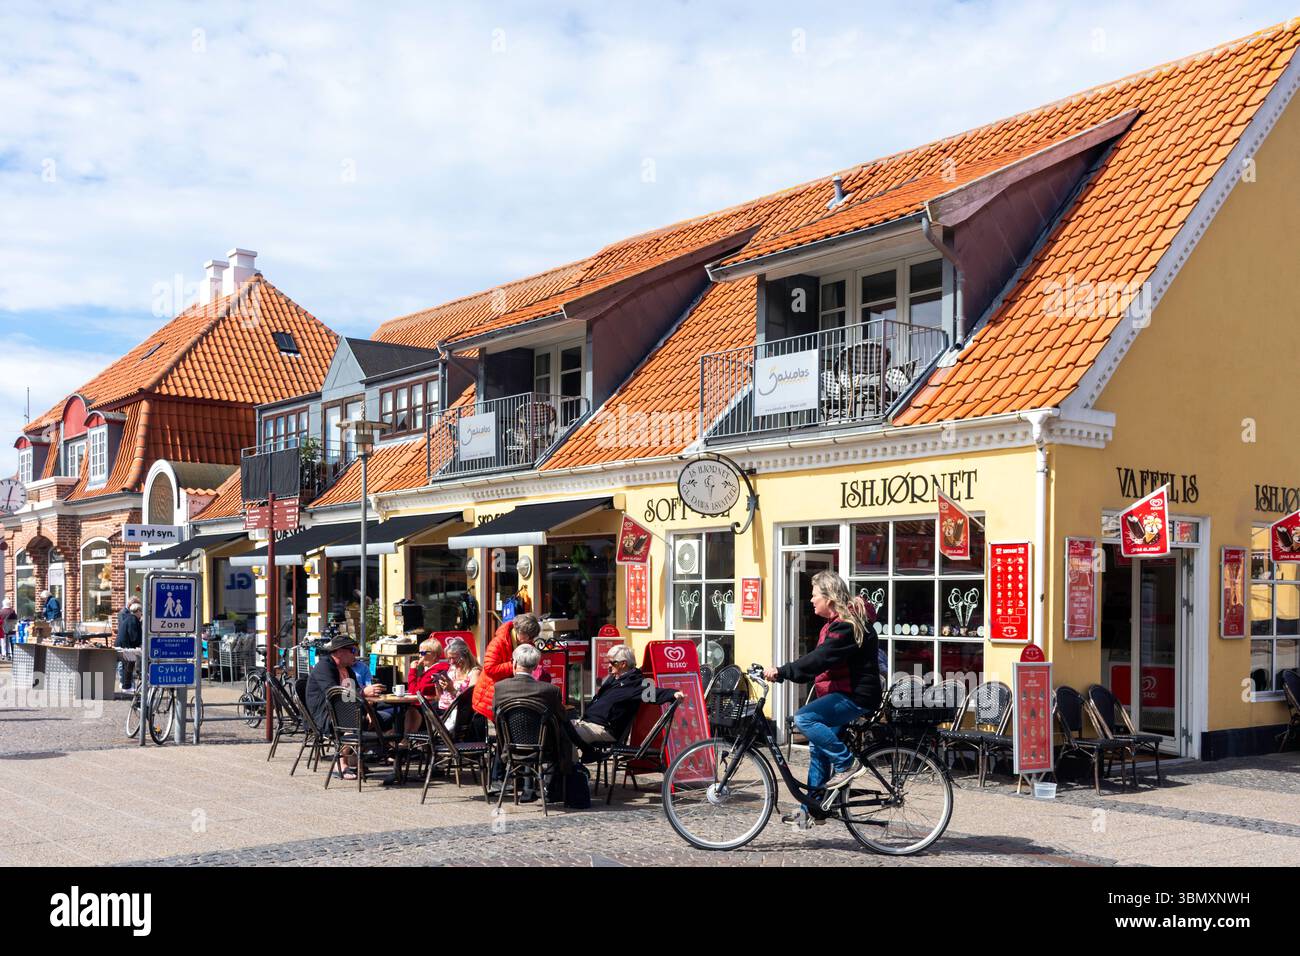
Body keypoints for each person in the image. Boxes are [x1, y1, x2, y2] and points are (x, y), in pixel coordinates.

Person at [763, 570, 881, 829]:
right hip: (839, 692)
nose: (812, 600)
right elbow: (823, 662)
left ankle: (847, 763)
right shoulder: (835, 623)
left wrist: (783, 671)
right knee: (818, 749)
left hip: (855, 695)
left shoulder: (847, 625)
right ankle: (812, 810)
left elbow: (821, 658)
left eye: (815, 595)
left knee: (804, 718)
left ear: (829, 597)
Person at [492, 643, 579, 801]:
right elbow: (562, 717)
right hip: (543, 748)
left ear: (515, 663)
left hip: (510, 746)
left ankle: (528, 789)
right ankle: (553, 789)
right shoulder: (549, 690)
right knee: (560, 731)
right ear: (535, 666)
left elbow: (495, 716)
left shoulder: (500, 688)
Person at [571, 644, 682, 759]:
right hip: (588, 723)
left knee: (564, 734)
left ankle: (572, 772)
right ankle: (567, 768)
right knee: (557, 726)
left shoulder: (635, 683)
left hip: (603, 729)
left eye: (612, 663)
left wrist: (673, 693)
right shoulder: (614, 679)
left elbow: (654, 693)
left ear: (623, 664)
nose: (609, 666)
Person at [305, 635, 387, 780]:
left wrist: (368, 708)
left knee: (380, 719)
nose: (355, 654)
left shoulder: (347, 669)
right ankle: (340, 763)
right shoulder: (324, 667)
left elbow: (351, 696)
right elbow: (334, 693)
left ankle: (356, 759)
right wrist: (363, 693)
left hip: (345, 711)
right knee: (354, 723)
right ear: (339, 652)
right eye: (353, 650)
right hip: (325, 715)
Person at [472, 612, 540, 722]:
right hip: (490, 696)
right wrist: (515, 665)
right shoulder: (498, 642)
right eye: (529, 636)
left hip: (508, 693)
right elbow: (489, 669)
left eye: (533, 637)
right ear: (520, 631)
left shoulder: (526, 642)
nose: (531, 639)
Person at [402, 637, 445, 734]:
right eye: (419, 653)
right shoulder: (429, 671)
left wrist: (413, 670)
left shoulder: (434, 672)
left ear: (434, 655)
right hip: (429, 707)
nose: (420, 656)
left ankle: (406, 739)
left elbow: (413, 692)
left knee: (410, 710)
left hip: (431, 710)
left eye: (423, 653)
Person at [115, 599, 143, 691]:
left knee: (126, 665)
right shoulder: (133, 620)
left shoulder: (130, 618)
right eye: (141, 611)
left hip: (123, 645)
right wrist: (139, 645)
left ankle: (126, 685)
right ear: (137, 611)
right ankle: (126, 686)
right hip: (126, 646)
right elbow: (134, 636)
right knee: (128, 665)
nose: (141, 614)